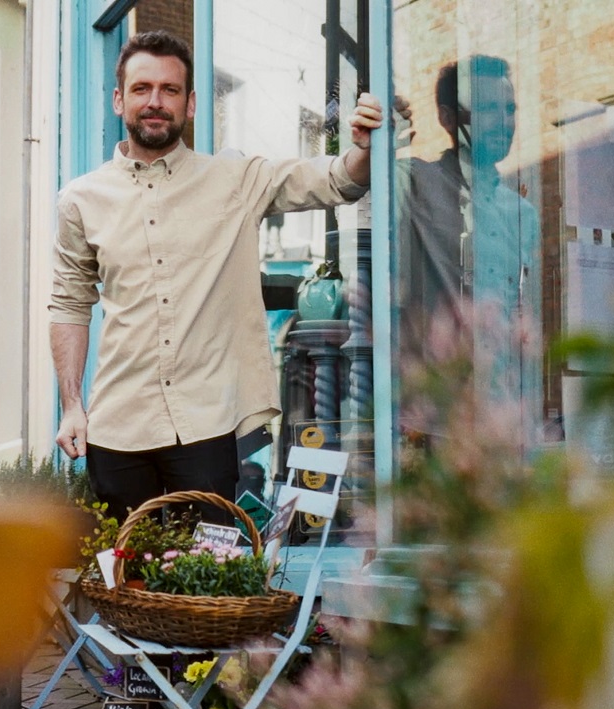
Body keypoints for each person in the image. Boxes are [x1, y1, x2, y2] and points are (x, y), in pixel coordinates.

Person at [50, 30, 383, 523]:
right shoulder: (81, 199)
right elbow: (69, 303)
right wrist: (72, 405)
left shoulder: (235, 180)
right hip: (117, 427)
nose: (155, 102)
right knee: (127, 588)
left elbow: (337, 179)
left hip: (206, 427)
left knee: (210, 583)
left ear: (191, 104)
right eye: (142, 89)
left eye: (170, 90)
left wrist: (362, 146)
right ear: (120, 99)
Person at [396, 54, 541, 442]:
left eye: (509, 109)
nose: (504, 122)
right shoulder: (414, 183)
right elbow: (363, 187)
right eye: (487, 110)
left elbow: (523, 311)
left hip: (503, 414)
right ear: (447, 118)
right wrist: (386, 137)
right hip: (433, 416)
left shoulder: (522, 212)